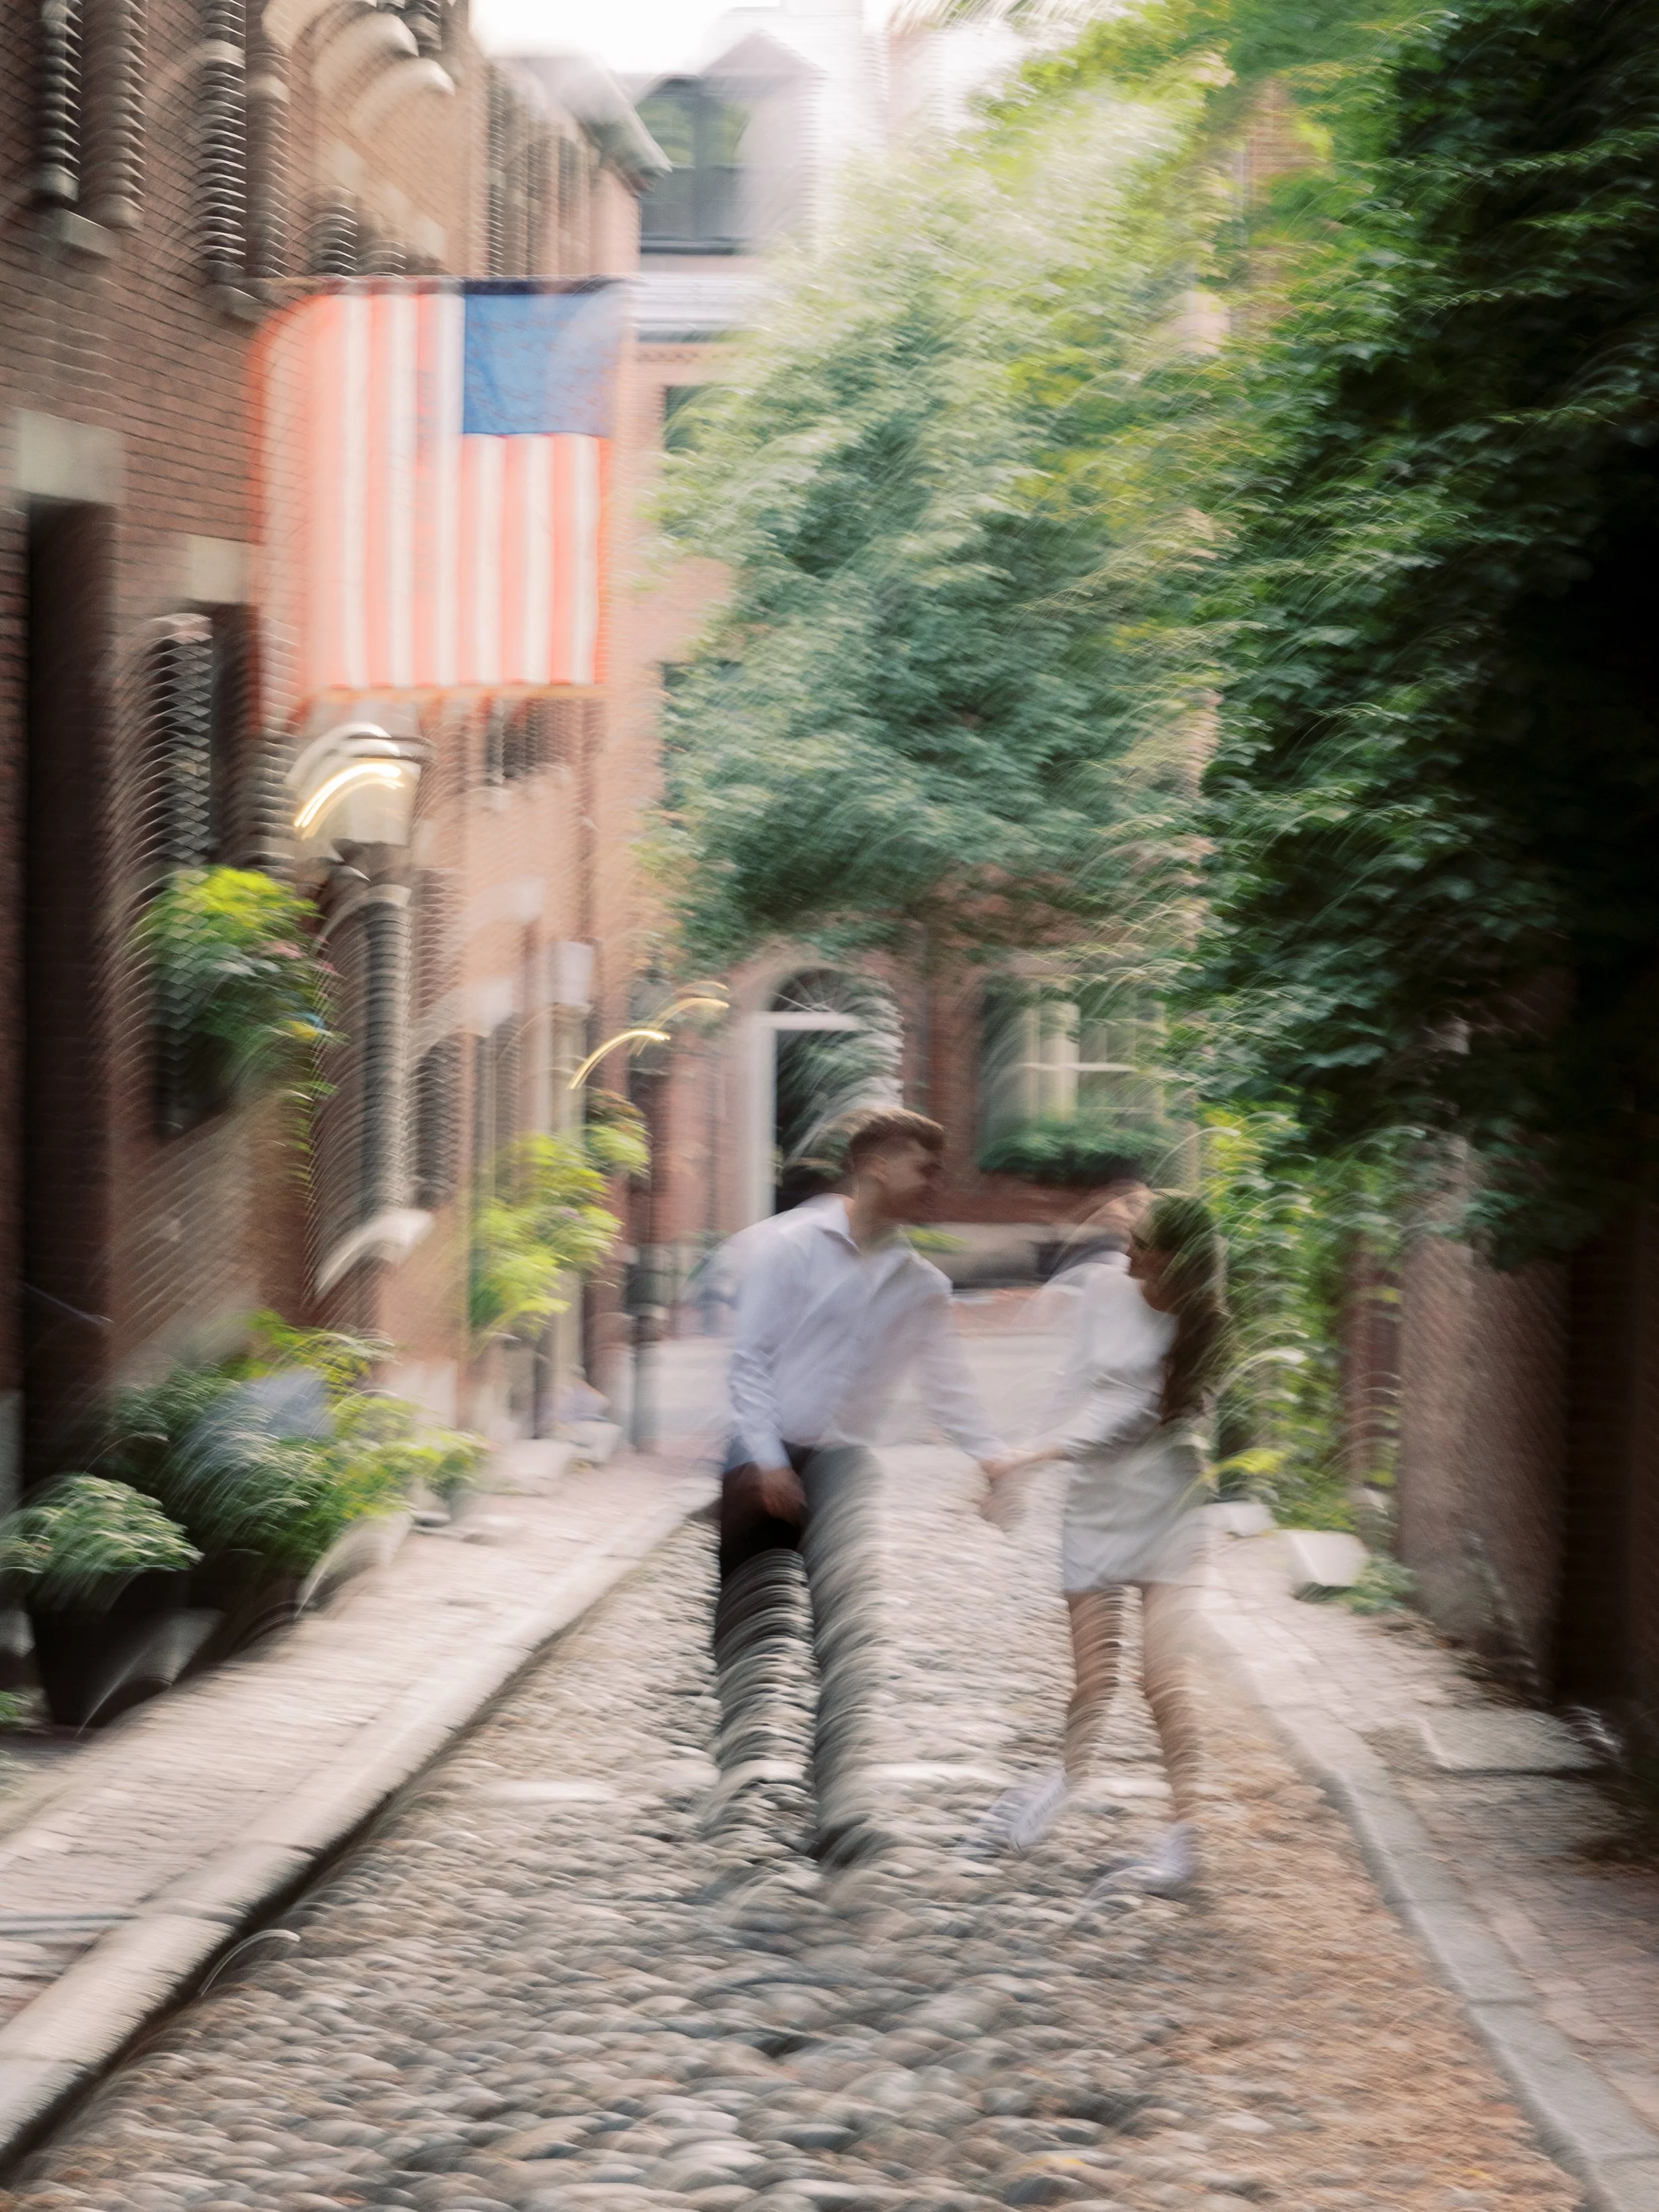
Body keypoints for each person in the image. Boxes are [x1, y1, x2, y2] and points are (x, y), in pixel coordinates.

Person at [715, 1106, 1009, 1868]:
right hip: (759, 1458)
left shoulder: (920, 1283)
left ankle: (840, 1806)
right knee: (751, 1636)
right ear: (876, 1164)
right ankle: (739, 1804)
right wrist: (767, 1462)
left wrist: (992, 1458)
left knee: (849, 1639)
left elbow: (948, 1386)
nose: (935, 1182)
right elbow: (748, 1361)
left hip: (844, 1464)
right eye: (924, 1165)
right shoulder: (788, 1248)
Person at [972, 1193, 1232, 1894]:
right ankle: (1061, 1784)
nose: (1126, 1248)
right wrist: (1016, 1472)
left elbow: (1132, 1416)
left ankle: (1184, 1837)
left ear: (1175, 1259)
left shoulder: (1199, 1323)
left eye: (1143, 1242)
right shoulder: (1101, 1291)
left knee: (1161, 1678)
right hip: (1094, 1504)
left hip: (1164, 1503)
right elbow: (1076, 1383)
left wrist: (1030, 1458)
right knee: (1093, 1677)